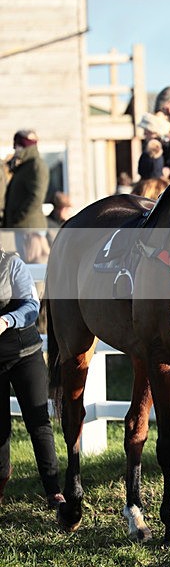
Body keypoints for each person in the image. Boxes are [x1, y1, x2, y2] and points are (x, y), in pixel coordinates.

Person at [0, 246, 64, 509]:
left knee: (38, 423)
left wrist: (6, 321)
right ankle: (1, 481)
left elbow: (31, 305)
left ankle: (54, 491)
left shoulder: (11, 264)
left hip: (25, 354)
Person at [3, 130, 50, 263]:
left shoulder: (36, 165)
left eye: (17, 145)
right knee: (26, 266)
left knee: (35, 265)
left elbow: (37, 196)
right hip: (23, 228)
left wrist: (20, 216)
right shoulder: (24, 166)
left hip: (31, 228)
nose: (15, 149)